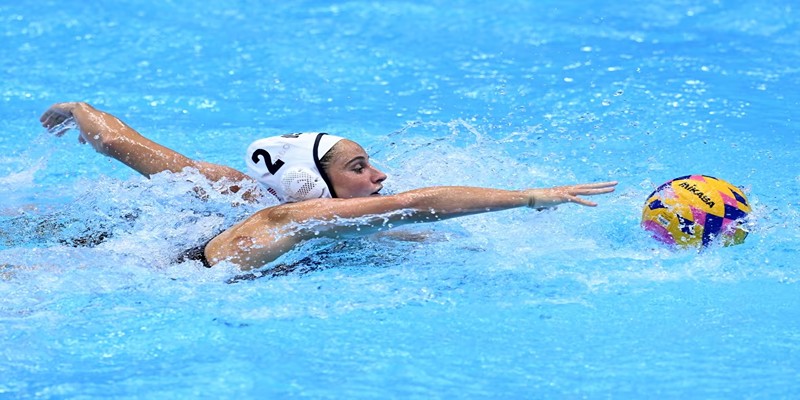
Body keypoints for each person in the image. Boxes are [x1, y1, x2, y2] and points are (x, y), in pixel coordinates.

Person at [40, 102, 618, 271]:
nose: (380, 176)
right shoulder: (273, 218)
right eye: (360, 167)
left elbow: (124, 144)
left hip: (132, 241)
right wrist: (532, 196)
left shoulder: (238, 191)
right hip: (143, 271)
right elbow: (419, 204)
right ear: (312, 184)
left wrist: (78, 110)